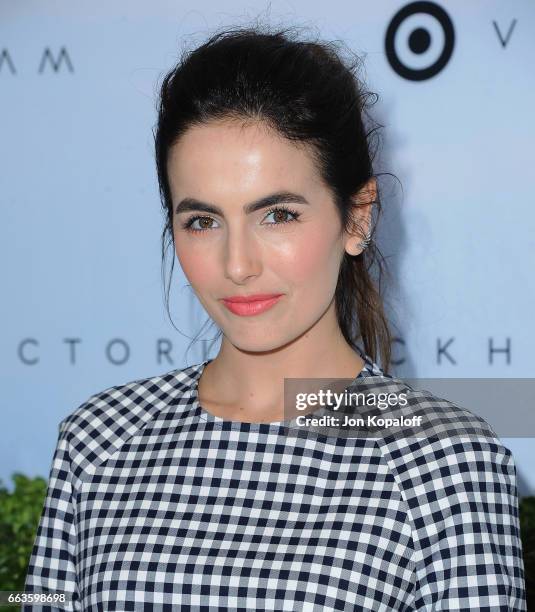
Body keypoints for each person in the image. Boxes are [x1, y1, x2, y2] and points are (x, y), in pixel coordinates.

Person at [23, 25, 526, 610]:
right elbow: (36, 602)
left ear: (357, 218)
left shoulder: (446, 462)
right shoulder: (98, 439)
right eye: (202, 221)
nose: (237, 265)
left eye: (278, 215)